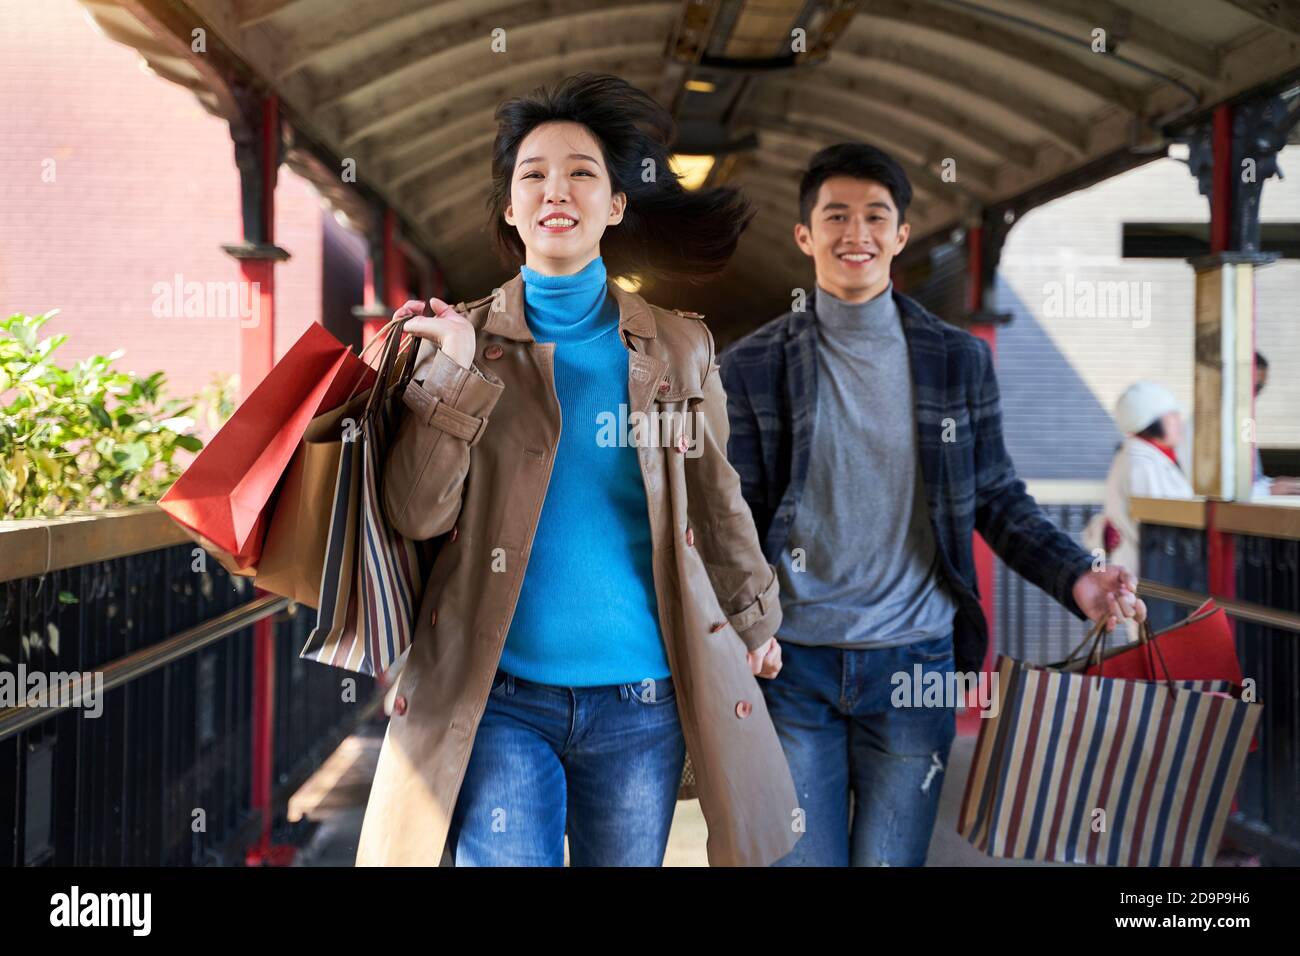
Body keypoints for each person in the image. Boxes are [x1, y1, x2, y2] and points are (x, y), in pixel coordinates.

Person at [354, 73, 799, 868]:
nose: (556, 189)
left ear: (616, 205)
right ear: (508, 207)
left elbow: (715, 497)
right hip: (498, 701)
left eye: (582, 172)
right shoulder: (462, 343)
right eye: (533, 174)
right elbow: (414, 514)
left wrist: (755, 620)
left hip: (641, 703)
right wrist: (452, 381)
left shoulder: (677, 347)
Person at [718, 142, 1145, 867]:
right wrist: (742, 625)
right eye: (836, 217)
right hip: (792, 663)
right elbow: (734, 518)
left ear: (900, 236)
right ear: (804, 236)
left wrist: (1080, 576)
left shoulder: (955, 358)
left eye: (875, 216)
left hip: (916, 661)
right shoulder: (752, 366)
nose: (857, 234)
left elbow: (996, 496)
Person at [1092, 381, 1195, 578]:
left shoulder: (1144, 456)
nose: (1179, 422)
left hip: (1149, 575)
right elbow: (1166, 527)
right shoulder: (1142, 464)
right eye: (1172, 416)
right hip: (1151, 578)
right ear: (1151, 421)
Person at [1251, 352, 1300, 497]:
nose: (1256, 394)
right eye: (1255, 387)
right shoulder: (1210, 424)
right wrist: (1267, 489)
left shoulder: (1244, 420)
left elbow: (1254, 479)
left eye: (1260, 388)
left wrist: (1275, 483)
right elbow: (1214, 489)